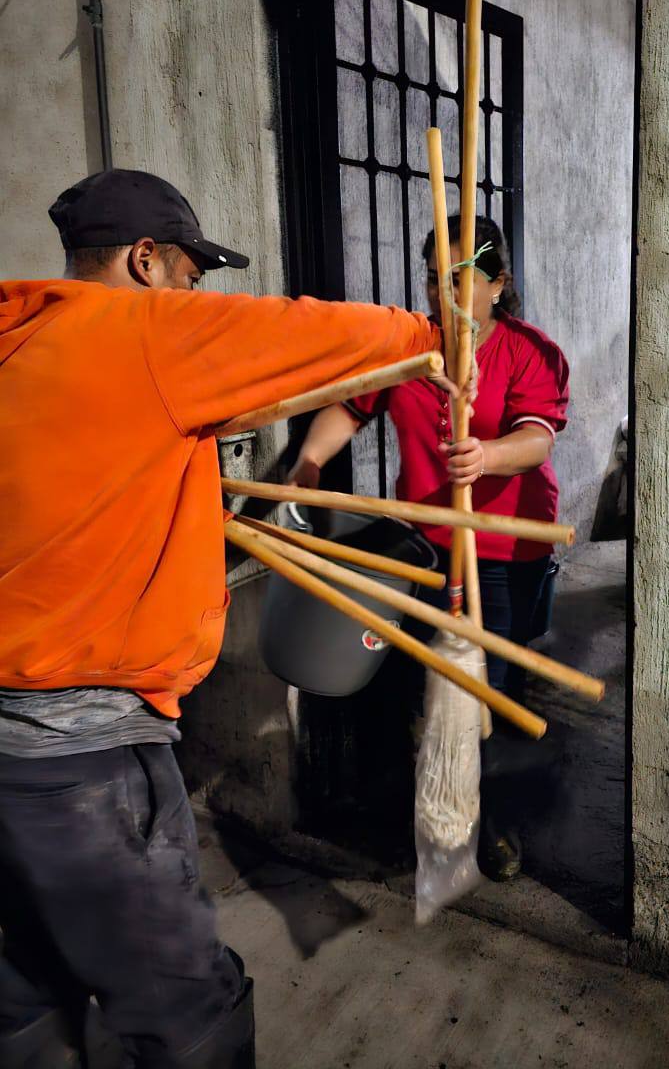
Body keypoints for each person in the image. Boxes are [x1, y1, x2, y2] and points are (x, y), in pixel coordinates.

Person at [0, 169, 460, 1069]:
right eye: (188, 273)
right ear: (143, 261)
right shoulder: (137, 333)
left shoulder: (21, 344)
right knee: (189, 1013)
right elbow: (329, 339)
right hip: (83, 758)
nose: (195, 293)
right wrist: (437, 333)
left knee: (24, 991)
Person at [289, 215, 570, 880]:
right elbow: (348, 409)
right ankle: (432, 804)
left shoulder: (529, 351)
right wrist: (307, 462)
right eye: (434, 278)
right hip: (423, 544)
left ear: (499, 285)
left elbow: (538, 438)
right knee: (425, 678)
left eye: (463, 279)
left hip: (504, 547)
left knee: (489, 689)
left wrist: (490, 454)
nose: (446, 293)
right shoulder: (411, 349)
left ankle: (492, 821)